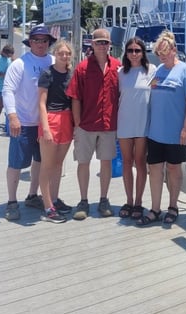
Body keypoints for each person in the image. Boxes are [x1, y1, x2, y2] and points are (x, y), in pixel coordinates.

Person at [136, 30, 186, 226]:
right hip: (156, 133)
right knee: (154, 169)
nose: (162, 56)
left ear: (173, 49)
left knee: (173, 169)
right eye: (159, 53)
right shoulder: (158, 70)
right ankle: (155, 208)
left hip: (176, 133)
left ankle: (173, 207)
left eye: (164, 52)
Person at [65, 28, 121, 221]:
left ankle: (104, 199)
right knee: (83, 163)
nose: (102, 46)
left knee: (106, 162)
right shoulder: (82, 68)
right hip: (86, 125)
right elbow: (75, 98)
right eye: (98, 42)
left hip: (108, 125)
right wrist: (77, 124)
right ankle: (83, 200)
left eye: (105, 42)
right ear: (92, 44)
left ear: (110, 45)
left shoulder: (118, 67)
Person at [2, 26, 57, 221]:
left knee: (40, 161)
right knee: (16, 163)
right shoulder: (19, 64)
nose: (41, 44)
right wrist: (12, 116)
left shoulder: (53, 61)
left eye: (44, 40)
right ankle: (11, 201)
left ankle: (33, 195)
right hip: (23, 122)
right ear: (30, 42)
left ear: (49, 42)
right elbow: (7, 90)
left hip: (44, 124)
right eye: (36, 40)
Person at [117, 37, 156, 220]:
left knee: (140, 163)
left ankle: (139, 202)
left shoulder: (152, 70)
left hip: (143, 124)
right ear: (126, 53)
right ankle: (129, 200)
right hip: (124, 123)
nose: (133, 54)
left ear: (143, 52)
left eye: (137, 50)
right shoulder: (120, 73)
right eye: (130, 50)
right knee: (126, 162)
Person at [38, 40, 74, 224]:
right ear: (55, 54)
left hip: (67, 119)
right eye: (61, 53)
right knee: (47, 165)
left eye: (67, 53)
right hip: (51, 119)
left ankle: (54, 199)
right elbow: (41, 103)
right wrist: (45, 128)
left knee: (59, 164)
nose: (64, 56)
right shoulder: (47, 74)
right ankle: (47, 206)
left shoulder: (70, 74)